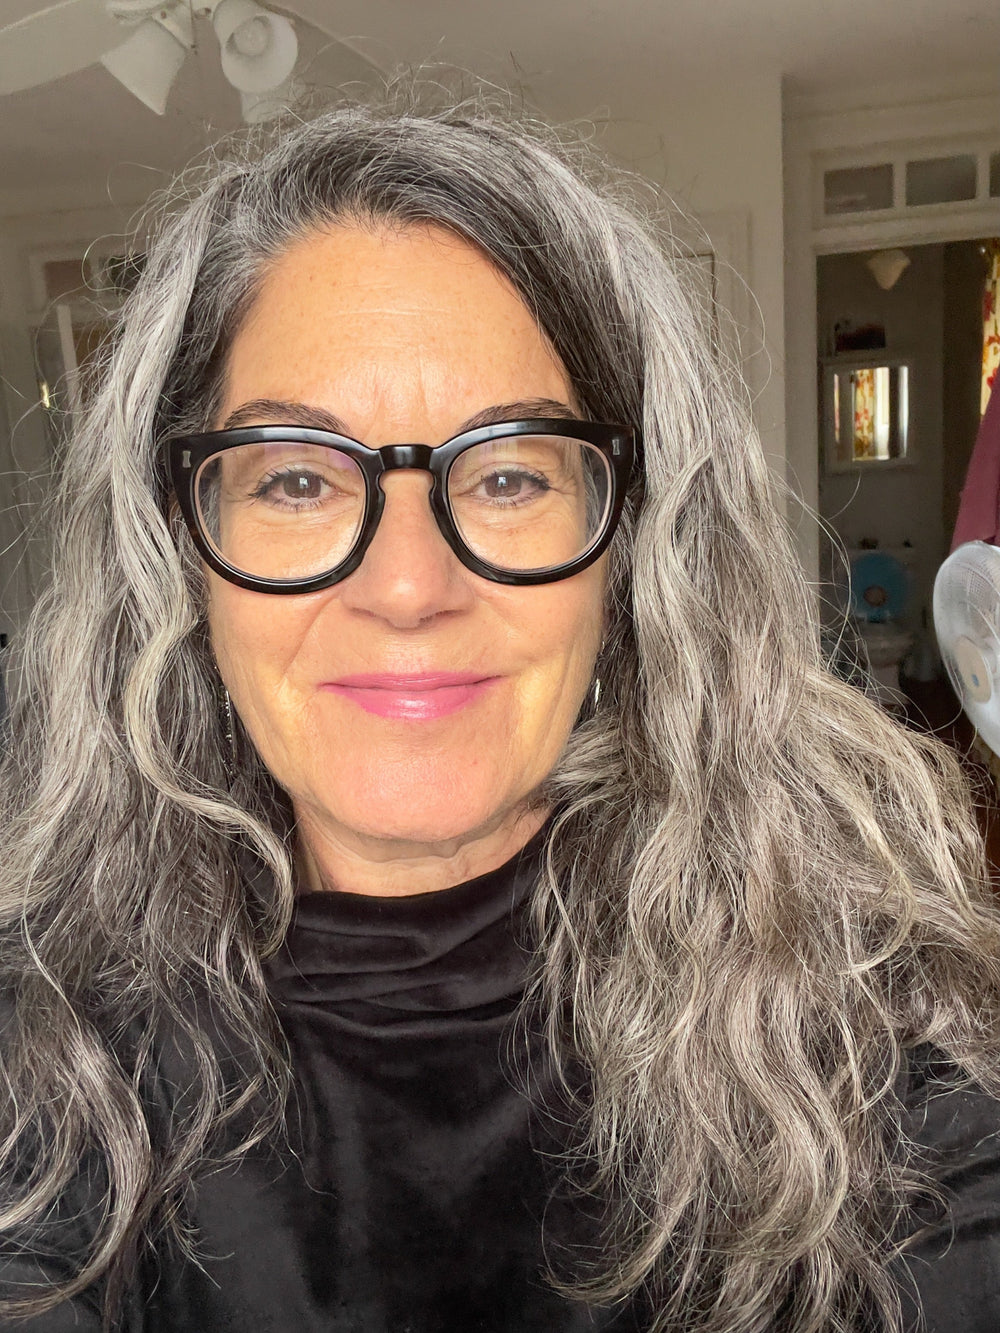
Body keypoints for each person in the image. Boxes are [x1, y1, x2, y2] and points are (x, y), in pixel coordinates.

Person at [1, 95, 1000, 1333]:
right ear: (181, 555)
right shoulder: (45, 1051)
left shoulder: (868, 1037)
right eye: (299, 480)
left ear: (630, 551)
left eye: (511, 473)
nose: (410, 586)